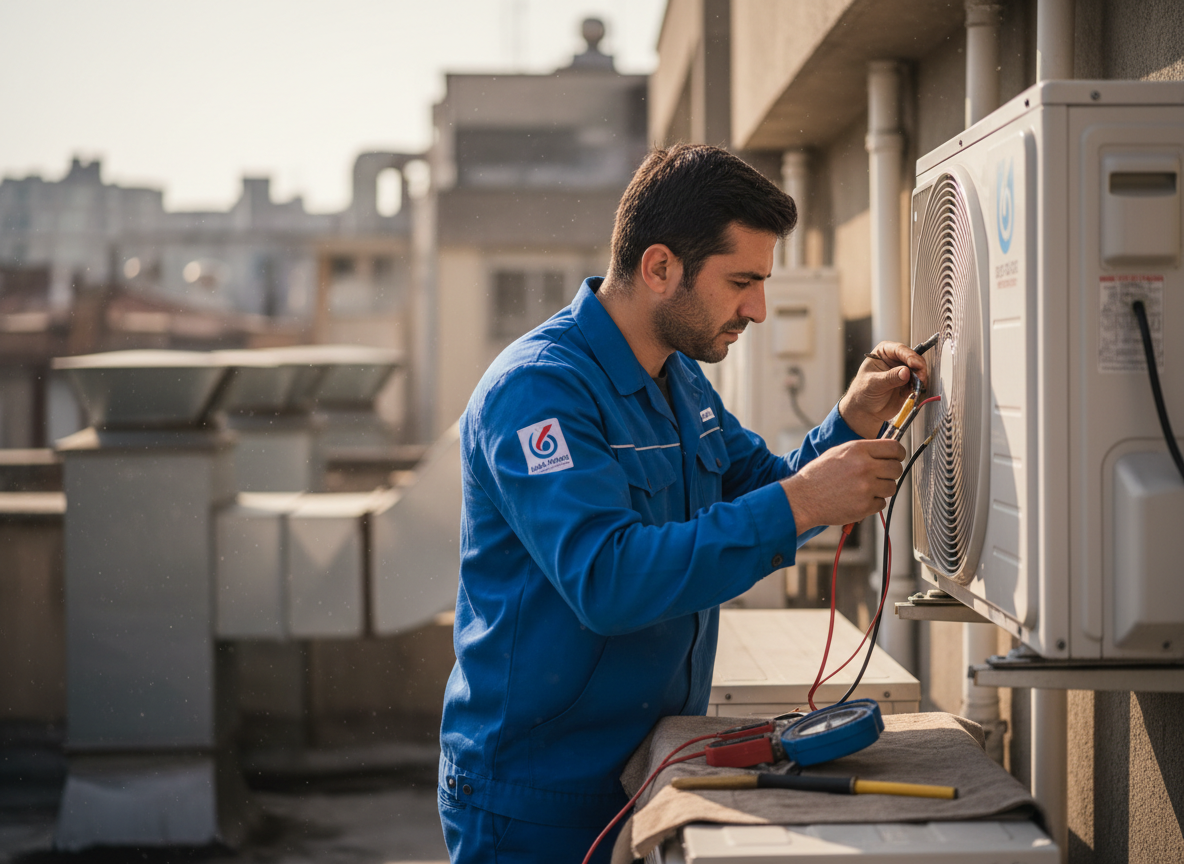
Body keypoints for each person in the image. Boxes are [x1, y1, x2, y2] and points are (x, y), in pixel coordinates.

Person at [437, 144, 927, 862]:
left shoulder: (680, 379)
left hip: (653, 771)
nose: (757, 310)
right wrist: (801, 502)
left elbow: (764, 485)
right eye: (742, 282)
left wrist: (849, 423)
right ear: (660, 267)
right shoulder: (538, 392)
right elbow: (606, 581)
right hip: (536, 801)